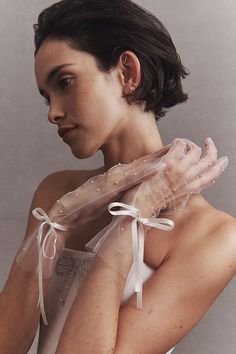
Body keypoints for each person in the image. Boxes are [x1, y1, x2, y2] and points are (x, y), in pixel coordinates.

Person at [0, 1, 236, 353]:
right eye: (46, 97)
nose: (52, 112)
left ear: (127, 72)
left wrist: (133, 216)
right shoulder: (56, 194)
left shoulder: (214, 237)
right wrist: (62, 216)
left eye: (64, 82)